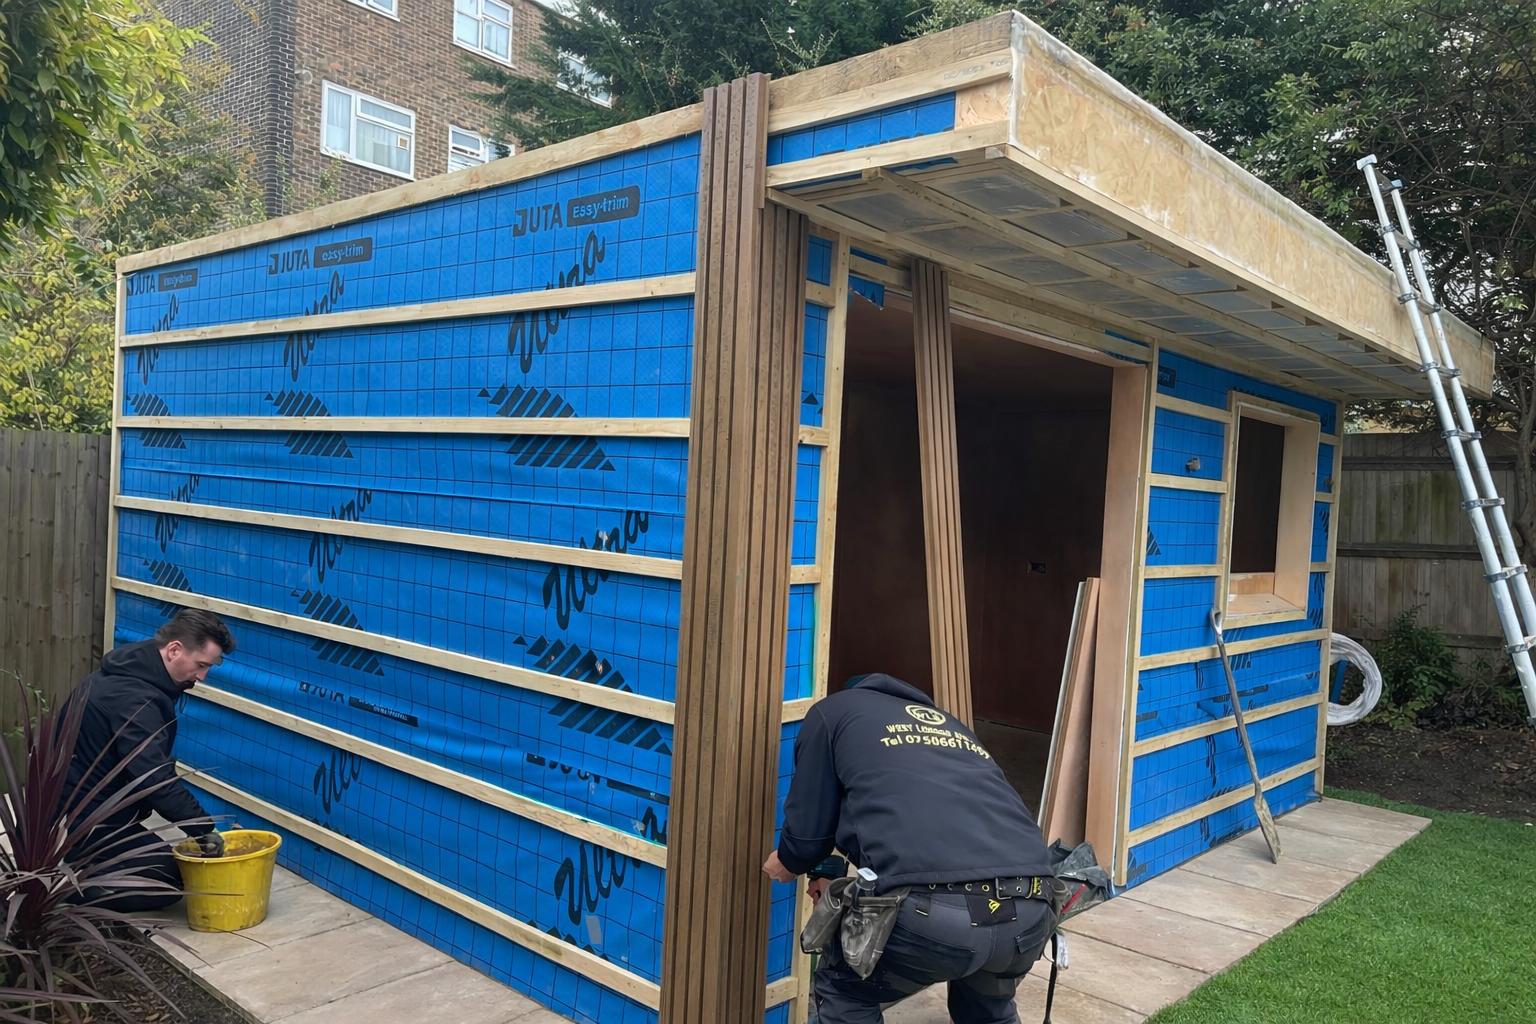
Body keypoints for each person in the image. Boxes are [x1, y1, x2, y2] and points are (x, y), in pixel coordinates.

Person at [763, 672, 1056, 1024]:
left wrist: (791, 860)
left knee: (845, 992)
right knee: (987, 1007)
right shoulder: (951, 727)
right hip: (1031, 909)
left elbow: (811, 827)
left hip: (936, 919)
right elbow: (907, 814)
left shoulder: (833, 712)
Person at [61, 609, 236, 911]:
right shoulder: (135, 700)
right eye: (201, 665)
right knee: (167, 882)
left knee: (166, 865)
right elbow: (154, 778)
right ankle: (64, 896)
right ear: (174, 650)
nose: (203, 677)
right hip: (85, 824)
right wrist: (203, 830)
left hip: (82, 813)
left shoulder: (127, 674)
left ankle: (83, 868)